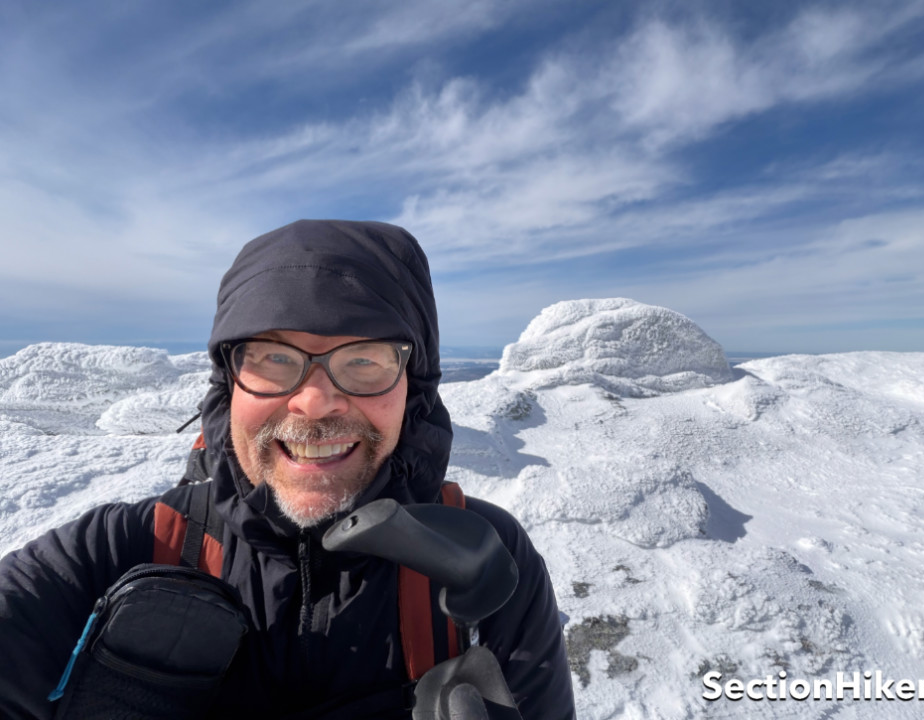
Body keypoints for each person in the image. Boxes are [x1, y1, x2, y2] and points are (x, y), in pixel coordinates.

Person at [0, 220, 576, 719]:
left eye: (364, 359)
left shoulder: (484, 561)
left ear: (413, 388)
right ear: (229, 384)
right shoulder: (119, 552)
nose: (316, 401)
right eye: (275, 358)